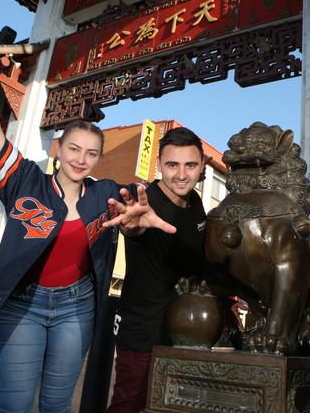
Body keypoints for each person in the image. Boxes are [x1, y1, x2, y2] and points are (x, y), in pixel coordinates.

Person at [0, 32, 175, 413]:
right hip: (25, 304)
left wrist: (137, 222)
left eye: (91, 153)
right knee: (14, 405)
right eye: (73, 149)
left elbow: (142, 204)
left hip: (76, 307)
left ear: (99, 159)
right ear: (59, 150)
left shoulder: (105, 193)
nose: (81, 159)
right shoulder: (26, 181)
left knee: (57, 404)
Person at [105, 127, 208, 413]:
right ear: (159, 164)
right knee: (129, 405)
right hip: (144, 331)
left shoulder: (197, 202)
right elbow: (134, 228)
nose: (181, 174)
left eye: (190, 165)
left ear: (202, 166)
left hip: (187, 331)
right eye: (172, 165)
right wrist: (132, 228)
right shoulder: (143, 203)